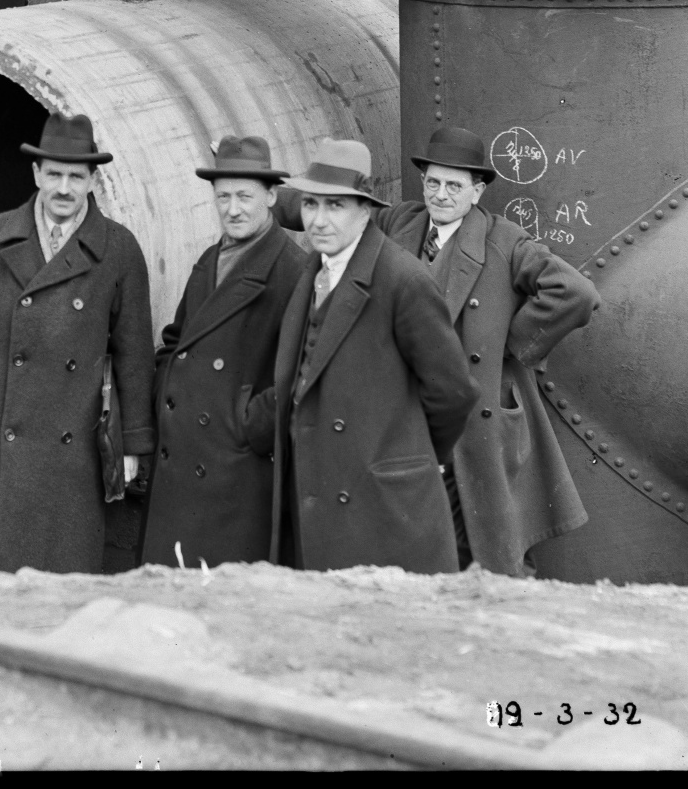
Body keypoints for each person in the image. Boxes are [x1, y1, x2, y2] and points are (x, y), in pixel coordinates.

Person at [0, 112, 155, 575]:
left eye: (76, 176)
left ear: (93, 181)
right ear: (36, 174)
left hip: (70, 445)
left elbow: (134, 354)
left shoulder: (118, 250)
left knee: (53, 590)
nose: (64, 188)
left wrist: (132, 446)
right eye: (54, 174)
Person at [376, 125, 599, 575]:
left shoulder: (504, 240)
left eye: (454, 185)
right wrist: (268, 196)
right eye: (433, 182)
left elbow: (576, 292)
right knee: (420, 539)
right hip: (409, 414)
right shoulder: (401, 222)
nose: (441, 195)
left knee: (495, 545)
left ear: (476, 192)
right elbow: (344, 216)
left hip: (477, 414)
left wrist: (511, 345)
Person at [249, 138, 477, 575]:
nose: (318, 220)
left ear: (364, 210)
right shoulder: (314, 270)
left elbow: (453, 392)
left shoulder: (401, 279)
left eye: (335, 206)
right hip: (321, 488)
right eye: (311, 205)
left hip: (383, 505)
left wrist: (405, 457)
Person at [139, 134, 312, 568]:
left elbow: (301, 374)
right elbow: (176, 340)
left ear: (272, 196)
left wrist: (247, 424)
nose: (232, 209)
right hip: (184, 455)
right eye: (222, 197)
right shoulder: (210, 259)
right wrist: (166, 391)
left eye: (244, 196)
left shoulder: (291, 270)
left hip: (234, 467)